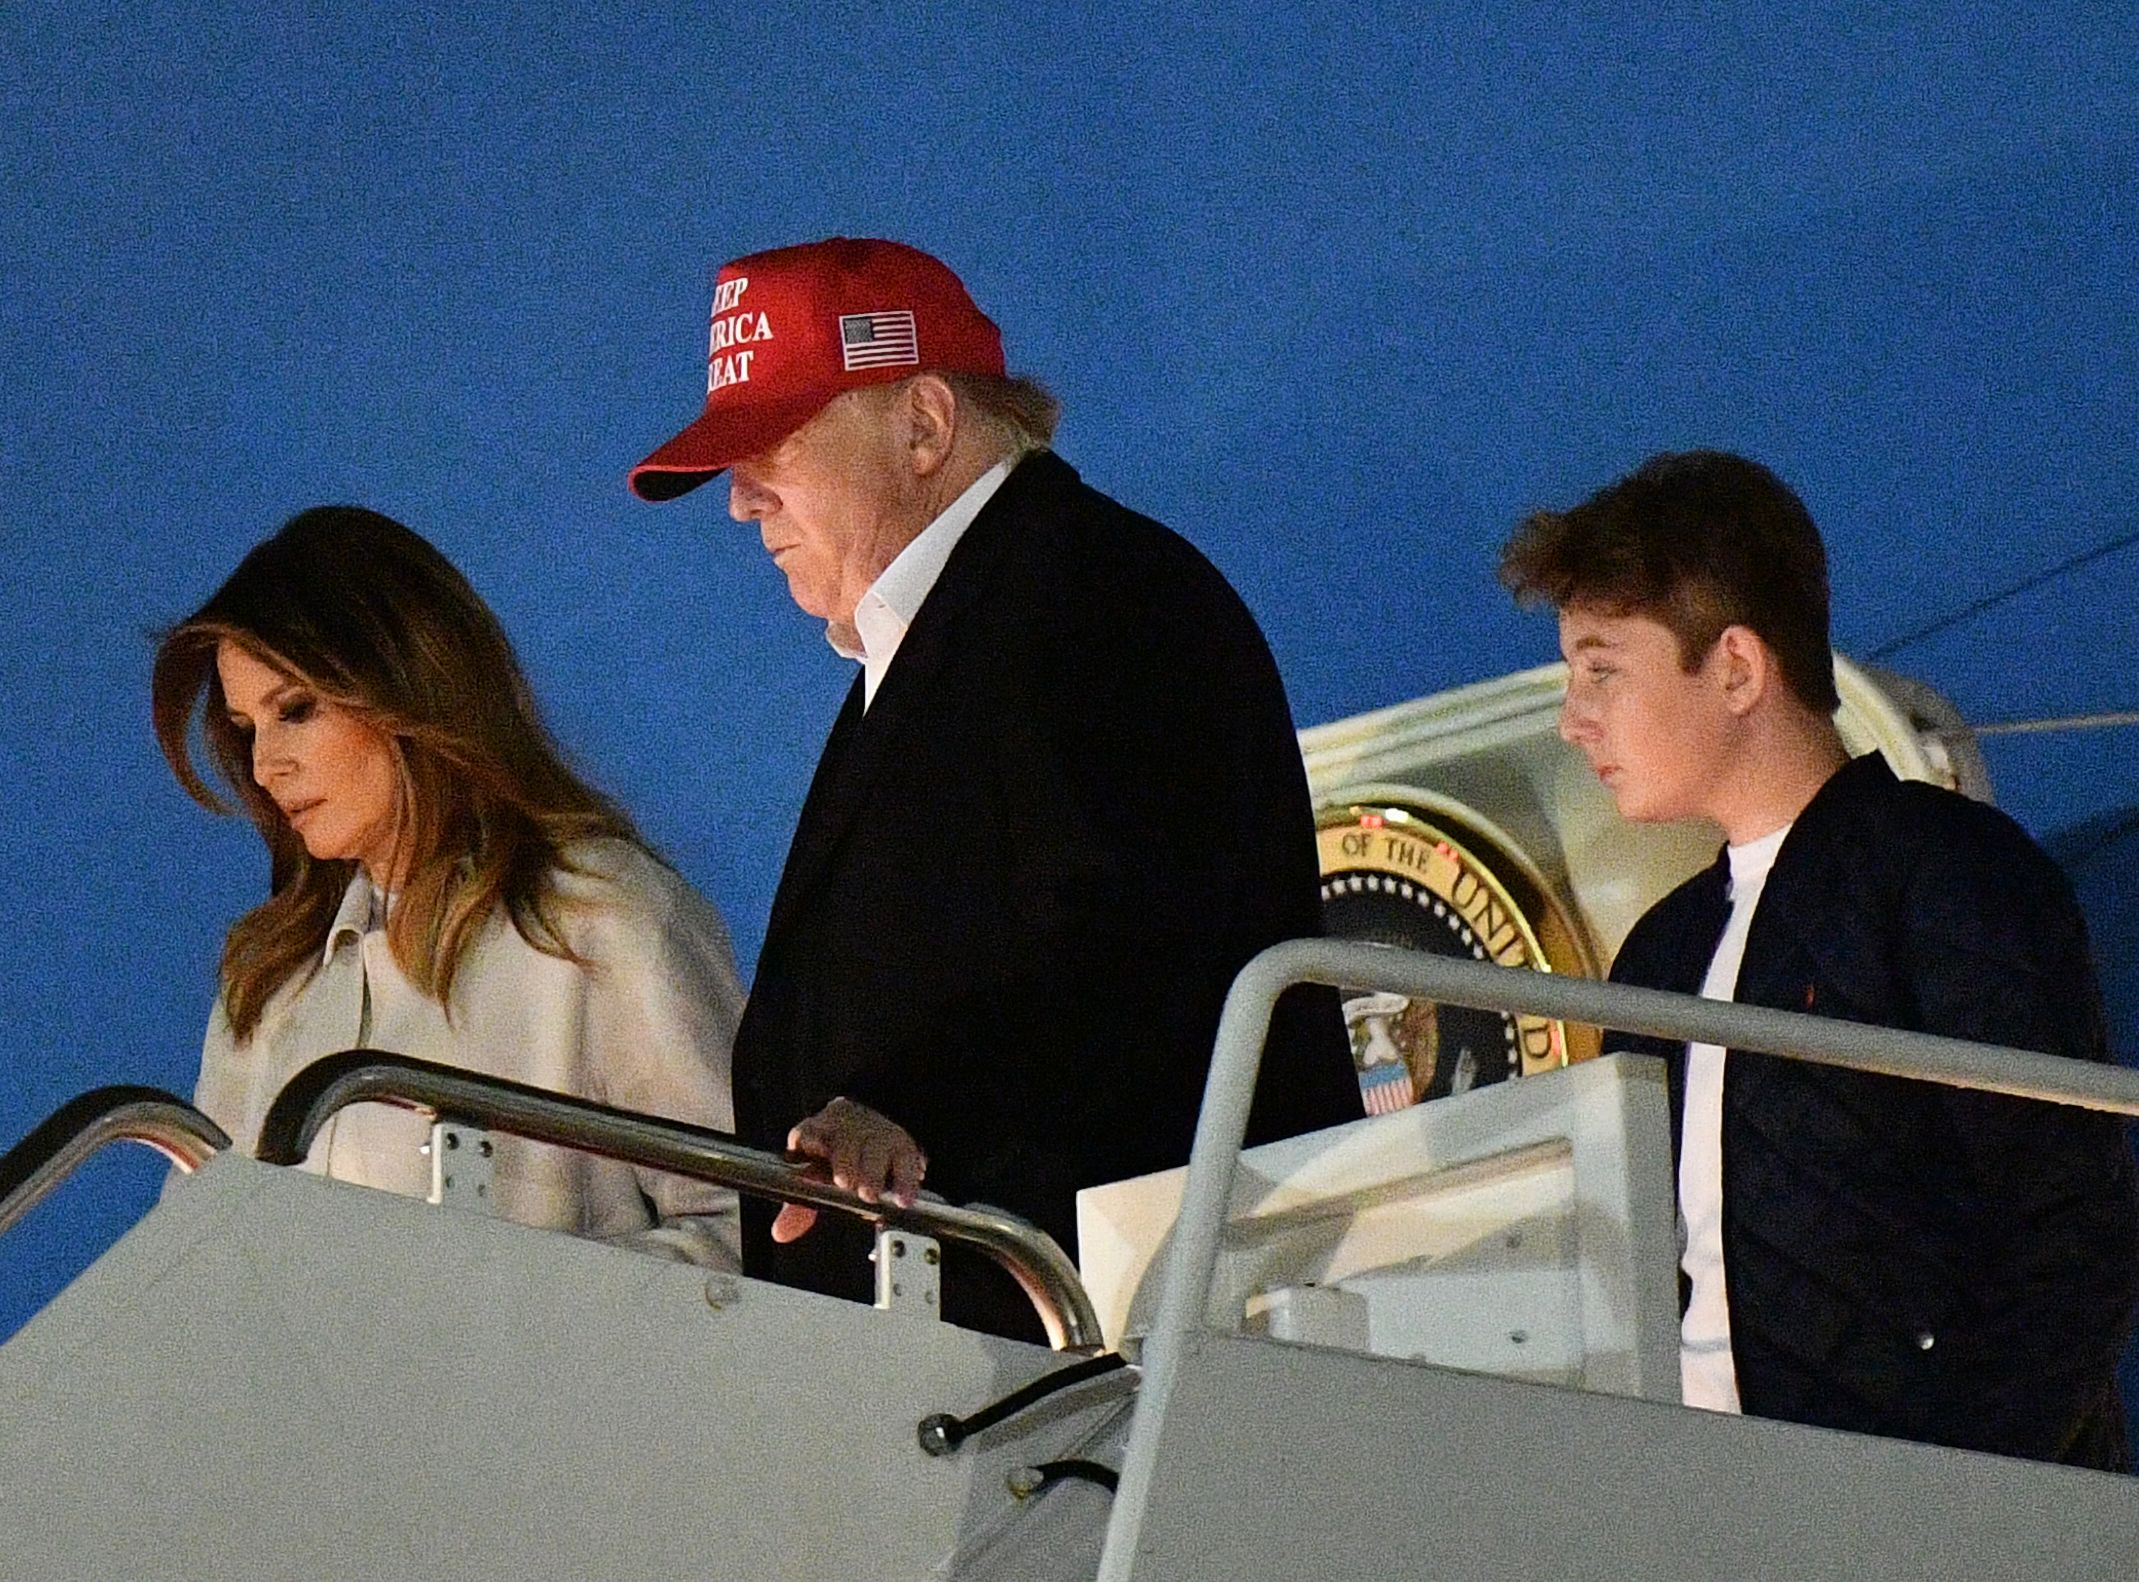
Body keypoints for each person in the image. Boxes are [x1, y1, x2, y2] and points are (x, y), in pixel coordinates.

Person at [630, 236, 1360, 1340]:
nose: (742, 502)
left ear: (923, 424)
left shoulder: (1095, 594)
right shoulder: (962, 629)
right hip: (968, 1379)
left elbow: (1129, 939)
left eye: (773, 444)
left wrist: (916, 1107)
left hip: (1099, 1381)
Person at [1499, 449, 2139, 1466]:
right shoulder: (1660, 956)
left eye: (1603, 668)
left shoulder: (1948, 873)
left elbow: (2071, 1230)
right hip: (1708, 1520)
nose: (1575, 721)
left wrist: (1946, 1498)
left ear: (1740, 669)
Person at [153, 506, 745, 1268]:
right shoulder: (270, 974)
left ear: (408, 688)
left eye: (295, 711)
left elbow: (751, 1234)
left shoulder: (602, 915)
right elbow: (198, 1261)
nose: (266, 767)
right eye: (245, 729)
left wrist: (524, 1319)